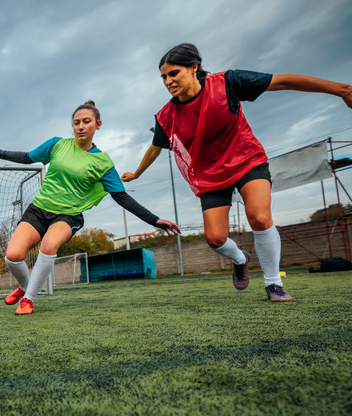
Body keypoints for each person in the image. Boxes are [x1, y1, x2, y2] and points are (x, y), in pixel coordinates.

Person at [121, 43, 352, 302]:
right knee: (215, 238)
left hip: (246, 160)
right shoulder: (166, 116)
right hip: (208, 174)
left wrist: (342, 90)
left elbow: (283, 81)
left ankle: (273, 283)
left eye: (173, 73)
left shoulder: (228, 82)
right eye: (163, 76)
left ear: (194, 68)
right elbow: (156, 147)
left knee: (260, 217)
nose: (167, 81)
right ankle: (241, 259)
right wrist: (137, 174)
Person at [0, 100, 180, 315]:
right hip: (38, 209)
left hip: (68, 216)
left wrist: (154, 220)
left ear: (98, 124)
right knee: (12, 256)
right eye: (76, 123)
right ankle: (24, 287)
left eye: (86, 122)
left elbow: (121, 197)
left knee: (48, 246)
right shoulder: (57, 144)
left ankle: (29, 299)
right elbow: (28, 157)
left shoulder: (103, 162)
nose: (81, 126)